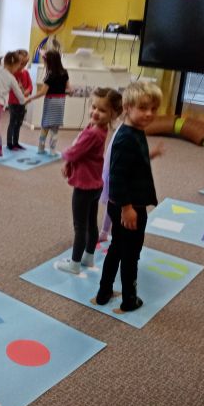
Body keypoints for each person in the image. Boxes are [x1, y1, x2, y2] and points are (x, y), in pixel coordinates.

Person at [95, 81, 163, 311]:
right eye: (143, 108)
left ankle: (104, 292)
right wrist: (127, 208)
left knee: (117, 247)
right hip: (129, 207)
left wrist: (150, 155)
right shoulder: (126, 138)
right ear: (127, 107)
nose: (149, 114)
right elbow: (117, 177)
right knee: (131, 255)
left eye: (153, 109)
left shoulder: (134, 131)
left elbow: (131, 164)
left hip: (125, 204)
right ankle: (129, 300)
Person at [56, 87, 123, 274]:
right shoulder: (98, 128)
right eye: (93, 107)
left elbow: (75, 151)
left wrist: (63, 155)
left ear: (113, 114)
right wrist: (69, 163)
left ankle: (74, 264)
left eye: (102, 110)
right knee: (91, 223)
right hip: (95, 184)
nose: (95, 112)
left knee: (80, 226)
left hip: (84, 186)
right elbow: (81, 152)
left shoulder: (93, 133)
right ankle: (88, 256)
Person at [27, 50, 70, 156]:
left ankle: (41, 149)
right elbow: (69, 89)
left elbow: (43, 92)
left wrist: (30, 98)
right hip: (60, 102)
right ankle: (52, 151)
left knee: (45, 126)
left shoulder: (50, 75)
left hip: (51, 102)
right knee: (55, 128)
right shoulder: (64, 72)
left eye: (45, 60)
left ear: (49, 62)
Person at [6, 49, 32, 151]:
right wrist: (19, 90)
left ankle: (16, 142)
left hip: (22, 102)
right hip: (13, 102)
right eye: (21, 63)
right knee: (13, 122)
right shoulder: (12, 74)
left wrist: (27, 91)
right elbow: (10, 88)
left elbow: (30, 85)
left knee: (19, 123)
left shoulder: (26, 73)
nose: (23, 66)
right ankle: (9, 143)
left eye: (25, 63)